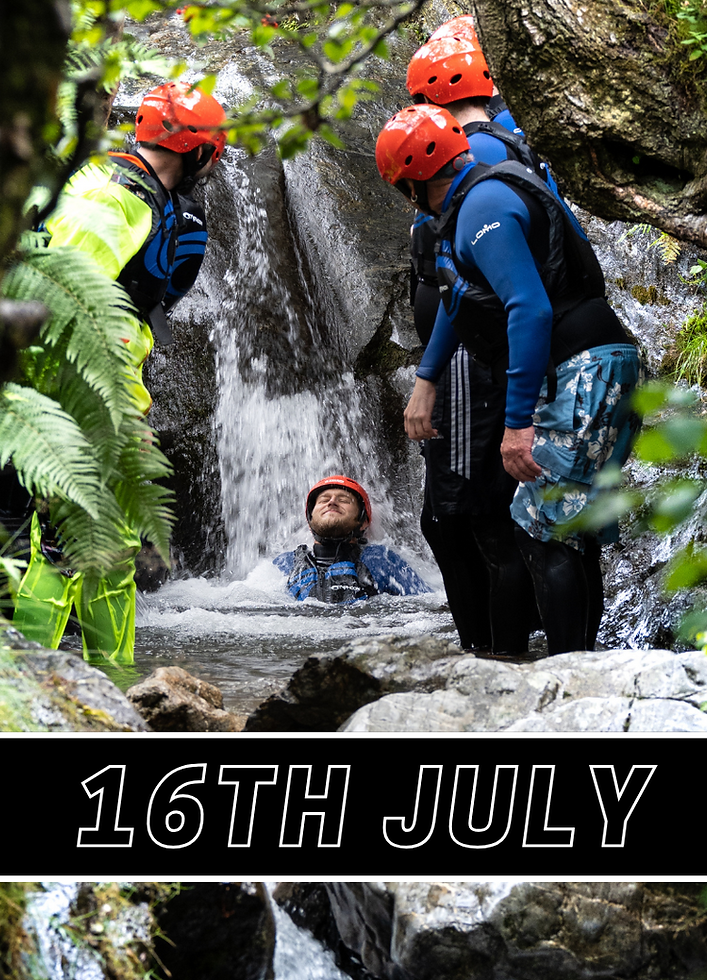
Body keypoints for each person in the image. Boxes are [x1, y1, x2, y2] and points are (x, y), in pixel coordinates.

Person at [376, 104, 643, 655]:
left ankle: (570, 678)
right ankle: (580, 667)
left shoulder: (482, 208)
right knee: (567, 529)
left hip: (582, 368)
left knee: (540, 529)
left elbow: (529, 309)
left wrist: (517, 423)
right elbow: (465, 298)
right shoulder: (482, 196)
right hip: (599, 362)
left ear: (413, 183)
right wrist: (427, 378)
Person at [11, 81, 227, 665]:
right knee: (62, 550)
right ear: (198, 151)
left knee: (109, 550)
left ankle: (118, 688)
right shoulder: (117, 199)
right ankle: (30, 691)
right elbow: (64, 302)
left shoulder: (111, 185)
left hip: (99, 395)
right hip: (81, 398)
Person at [403, 28, 559, 656]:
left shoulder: (473, 161)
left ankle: (492, 656)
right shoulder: (510, 145)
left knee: (463, 518)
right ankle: (498, 649)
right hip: (474, 353)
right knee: (459, 517)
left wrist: (432, 374)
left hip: (473, 361)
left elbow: (477, 285)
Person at [273, 476, 431, 603]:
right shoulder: (285, 563)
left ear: (363, 521)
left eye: (343, 500)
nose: (332, 502)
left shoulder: (382, 560)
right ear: (310, 519)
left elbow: (428, 603)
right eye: (323, 500)